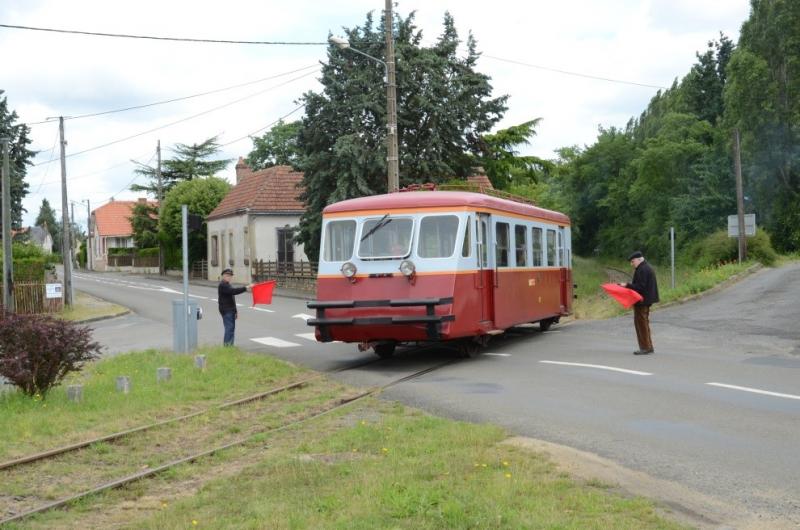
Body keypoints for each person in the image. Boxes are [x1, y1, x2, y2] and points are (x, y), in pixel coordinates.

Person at [620, 251, 659, 355]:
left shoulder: (642, 269)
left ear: (639, 259)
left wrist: (627, 285)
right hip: (645, 300)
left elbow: (640, 287)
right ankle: (648, 346)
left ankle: (645, 347)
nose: (631, 264)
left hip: (642, 301)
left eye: (633, 261)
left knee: (641, 324)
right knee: (644, 324)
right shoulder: (645, 267)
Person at [218, 268, 252, 346]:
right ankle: (227, 347)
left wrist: (235, 311)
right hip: (226, 310)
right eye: (227, 275)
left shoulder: (227, 284)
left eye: (230, 276)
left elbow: (232, 299)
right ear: (223, 276)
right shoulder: (223, 285)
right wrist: (246, 287)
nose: (229, 277)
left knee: (231, 329)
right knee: (229, 329)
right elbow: (233, 291)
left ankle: (230, 346)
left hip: (230, 310)